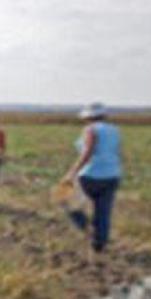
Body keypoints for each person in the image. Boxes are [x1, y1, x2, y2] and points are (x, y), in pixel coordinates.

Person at [62, 102, 122, 258]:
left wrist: (71, 173)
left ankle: (87, 229)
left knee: (69, 203)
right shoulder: (115, 130)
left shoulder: (91, 129)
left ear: (88, 117)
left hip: (91, 174)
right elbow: (116, 152)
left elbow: (87, 152)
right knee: (103, 211)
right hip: (112, 175)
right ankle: (99, 244)